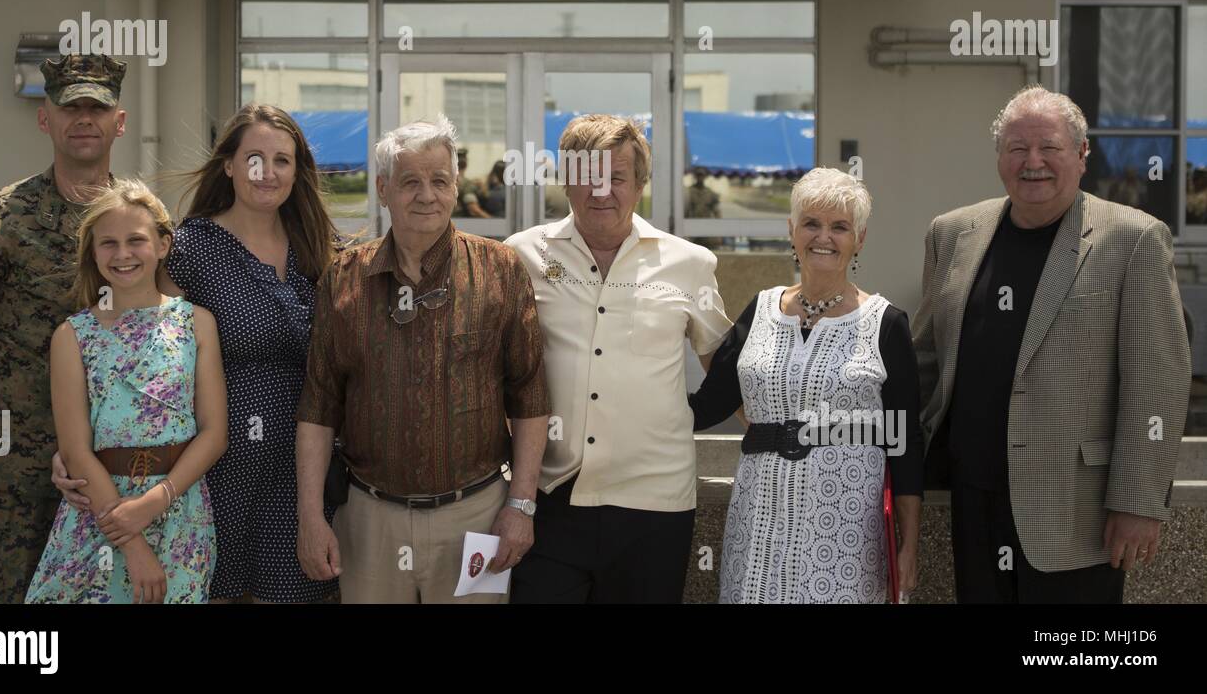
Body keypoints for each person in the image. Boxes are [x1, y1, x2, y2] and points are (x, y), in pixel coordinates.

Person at [53, 104, 344, 603]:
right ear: (228, 165)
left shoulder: (322, 249)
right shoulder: (190, 250)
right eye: (254, 158)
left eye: (282, 160)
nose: (267, 172)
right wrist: (83, 449)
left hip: (307, 473)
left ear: (298, 172)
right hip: (215, 476)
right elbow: (145, 354)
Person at [914, 85, 1192, 603]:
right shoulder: (953, 233)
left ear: (1082, 154)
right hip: (973, 501)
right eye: (1017, 148)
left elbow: (1158, 383)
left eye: (1050, 147)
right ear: (1000, 157)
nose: (1032, 162)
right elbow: (926, 359)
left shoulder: (1134, 239)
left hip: (1077, 515)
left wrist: (1139, 502)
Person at [295, 116, 550, 603]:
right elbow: (318, 406)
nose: (426, 195)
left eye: (439, 181)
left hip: (476, 518)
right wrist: (310, 516)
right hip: (370, 519)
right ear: (383, 188)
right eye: (410, 182)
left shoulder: (500, 270)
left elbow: (530, 394)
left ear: (456, 186)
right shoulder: (344, 279)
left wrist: (522, 505)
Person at [506, 115, 733, 603]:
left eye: (616, 177)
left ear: (640, 183)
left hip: (654, 505)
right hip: (551, 499)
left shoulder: (689, 263)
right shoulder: (521, 256)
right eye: (587, 175)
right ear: (566, 178)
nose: (601, 191)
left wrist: (684, 416)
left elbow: (729, 366)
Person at [0, 53, 126, 603]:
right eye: (70, 108)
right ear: (46, 119)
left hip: (117, 463)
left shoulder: (140, 222)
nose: (84, 119)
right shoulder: (0, 219)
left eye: (97, 107)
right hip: (20, 467)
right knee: (2, 611)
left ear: (120, 121)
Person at [689, 167, 923, 603]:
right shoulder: (760, 310)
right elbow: (705, 407)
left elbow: (906, 439)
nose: (824, 237)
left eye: (840, 227)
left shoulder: (886, 324)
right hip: (757, 524)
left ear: (860, 239)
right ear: (791, 230)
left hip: (847, 531)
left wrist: (909, 543)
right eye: (812, 223)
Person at [26, 180, 226, 603]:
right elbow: (77, 450)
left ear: (163, 244)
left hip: (177, 510)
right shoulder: (72, 335)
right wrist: (131, 540)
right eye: (108, 243)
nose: (122, 254)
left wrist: (155, 502)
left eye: (136, 240)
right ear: (93, 253)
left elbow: (213, 434)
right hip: (99, 513)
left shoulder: (197, 324)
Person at [453, 147, 490, 218]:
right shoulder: (467, 184)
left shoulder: (448, 181)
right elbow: (473, 209)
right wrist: (492, 219)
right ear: (466, 164)